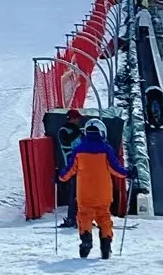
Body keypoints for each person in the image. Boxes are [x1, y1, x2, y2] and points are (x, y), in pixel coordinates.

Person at [58, 118, 135, 259]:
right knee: (104, 217)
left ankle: (86, 240)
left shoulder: (78, 150)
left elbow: (69, 170)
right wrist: (128, 173)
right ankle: (106, 247)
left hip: (84, 192)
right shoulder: (106, 149)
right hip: (103, 192)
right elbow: (116, 169)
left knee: (84, 216)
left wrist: (60, 176)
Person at [56, 109, 84, 228]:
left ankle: (82, 217)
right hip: (72, 165)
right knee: (74, 194)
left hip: (84, 165)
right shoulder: (63, 130)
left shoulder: (78, 131)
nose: (78, 121)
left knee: (83, 194)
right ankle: (72, 218)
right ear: (72, 118)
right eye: (77, 118)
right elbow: (66, 145)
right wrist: (77, 133)